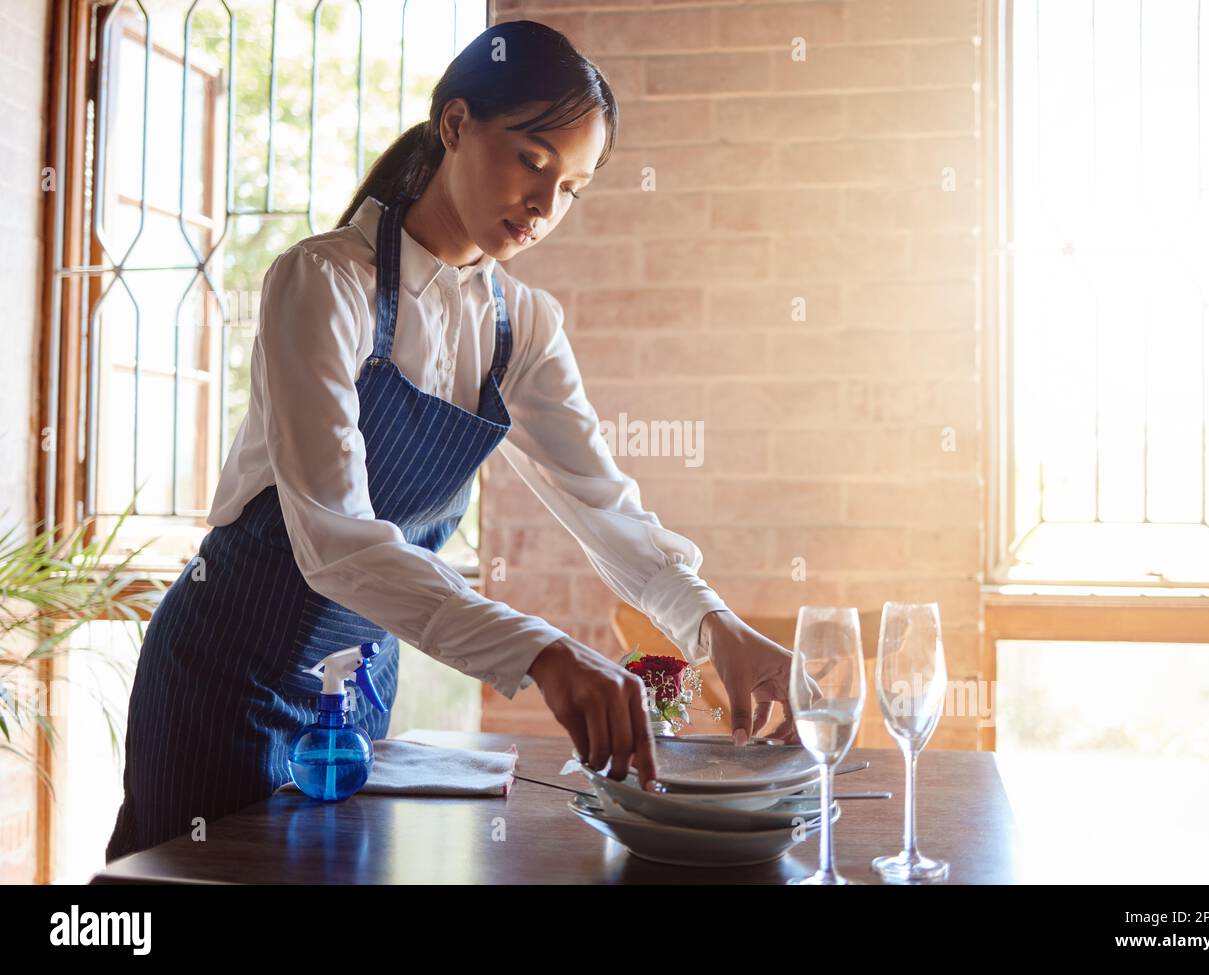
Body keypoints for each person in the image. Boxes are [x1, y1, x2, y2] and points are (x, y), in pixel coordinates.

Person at [105, 20, 796, 862]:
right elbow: (336, 543)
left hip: (357, 697)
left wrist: (714, 626)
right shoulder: (321, 284)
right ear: (457, 125)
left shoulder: (523, 328)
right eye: (533, 160)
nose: (545, 207)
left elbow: (607, 513)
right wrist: (541, 650)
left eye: (573, 187)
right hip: (223, 680)